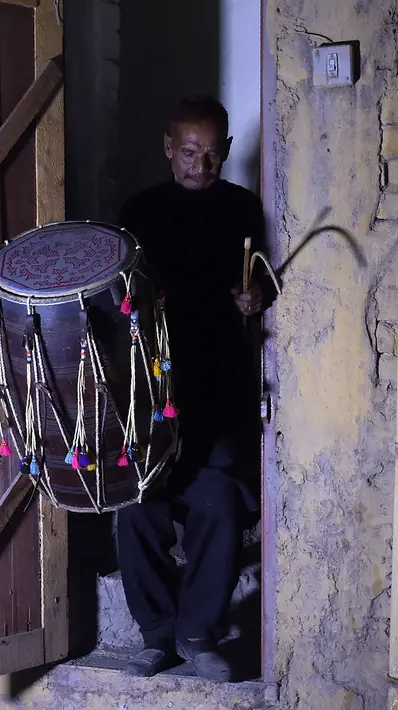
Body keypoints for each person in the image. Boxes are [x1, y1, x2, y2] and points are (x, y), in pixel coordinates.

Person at [114, 95, 274, 683]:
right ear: (167, 148)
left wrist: (254, 298)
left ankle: (197, 632)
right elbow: (117, 296)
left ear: (227, 151)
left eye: (211, 155)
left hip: (220, 386)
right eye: (188, 153)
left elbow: (261, 280)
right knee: (134, 508)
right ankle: (157, 634)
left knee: (220, 501)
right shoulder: (138, 211)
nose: (200, 166)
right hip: (152, 393)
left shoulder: (241, 209)